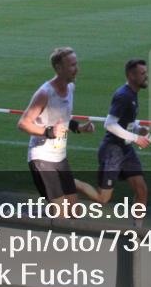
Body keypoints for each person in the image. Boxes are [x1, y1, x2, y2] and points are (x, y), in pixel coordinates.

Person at [18, 47, 94, 210]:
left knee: (74, 211)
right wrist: (49, 132)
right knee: (60, 214)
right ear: (59, 68)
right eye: (72, 65)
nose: (77, 68)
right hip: (42, 158)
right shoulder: (45, 93)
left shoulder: (70, 88)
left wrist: (80, 128)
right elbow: (23, 123)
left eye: (76, 64)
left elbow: (63, 118)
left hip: (60, 157)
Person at [76, 59, 151, 208]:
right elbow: (109, 124)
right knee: (103, 198)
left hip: (126, 150)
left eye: (146, 72)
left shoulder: (132, 94)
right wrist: (136, 137)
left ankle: (137, 229)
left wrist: (138, 129)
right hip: (113, 151)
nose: (146, 76)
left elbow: (126, 121)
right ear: (131, 76)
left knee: (141, 190)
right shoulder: (123, 96)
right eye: (142, 73)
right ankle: (69, 182)